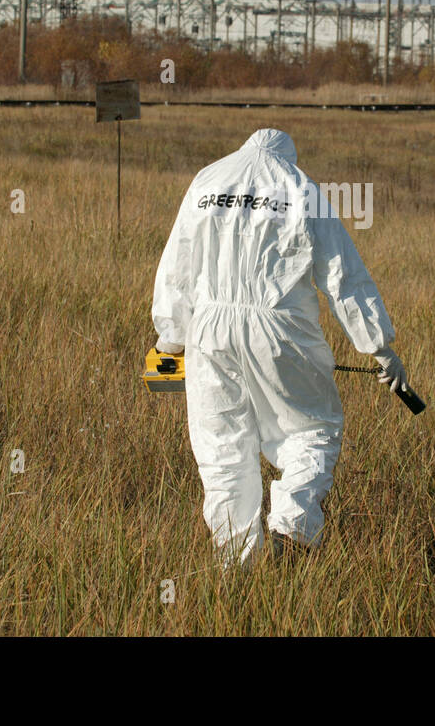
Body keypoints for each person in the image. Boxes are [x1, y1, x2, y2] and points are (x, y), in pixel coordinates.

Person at [152, 128, 407, 566]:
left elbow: (178, 263)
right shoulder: (300, 187)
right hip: (281, 330)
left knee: (223, 448)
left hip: (208, 330)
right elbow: (341, 274)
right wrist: (379, 347)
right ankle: (292, 528)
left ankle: (237, 559)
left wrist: (170, 339)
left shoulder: (208, 181)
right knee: (311, 430)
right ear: (287, 156)